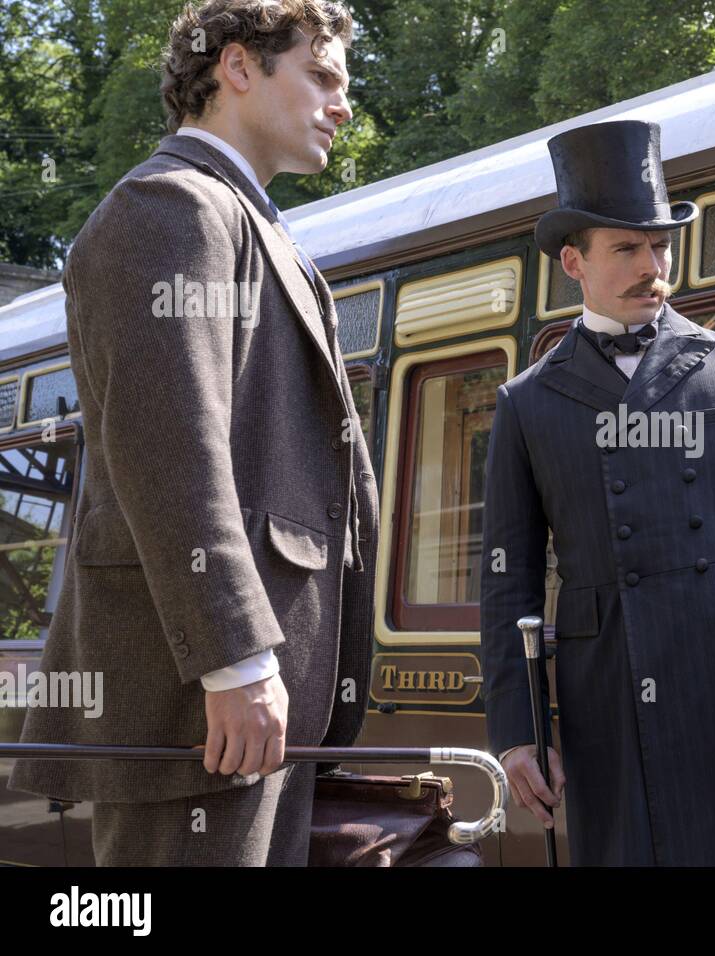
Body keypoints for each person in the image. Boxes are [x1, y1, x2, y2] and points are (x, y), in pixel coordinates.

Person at [8, 0, 377, 866]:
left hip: (238, 719)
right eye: (321, 76)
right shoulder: (169, 207)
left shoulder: (245, 224)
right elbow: (169, 451)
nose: (344, 104)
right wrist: (237, 662)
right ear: (239, 68)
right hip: (201, 715)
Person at [479, 119, 715, 865]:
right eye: (626, 248)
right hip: (612, 701)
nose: (651, 265)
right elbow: (508, 584)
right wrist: (519, 729)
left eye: (660, 246)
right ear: (574, 261)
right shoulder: (527, 402)